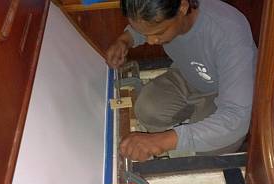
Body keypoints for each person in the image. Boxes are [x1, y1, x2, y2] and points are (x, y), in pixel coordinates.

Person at [106, 0, 257, 161]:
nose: (151, 41)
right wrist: (125, 40)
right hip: (189, 72)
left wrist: (164, 141)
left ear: (183, 8)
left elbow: (236, 118)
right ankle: (188, 126)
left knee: (212, 151)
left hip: (222, 91)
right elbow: (146, 27)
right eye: (145, 33)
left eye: (159, 33)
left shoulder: (229, 33)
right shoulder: (166, 15)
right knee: (147, 109)